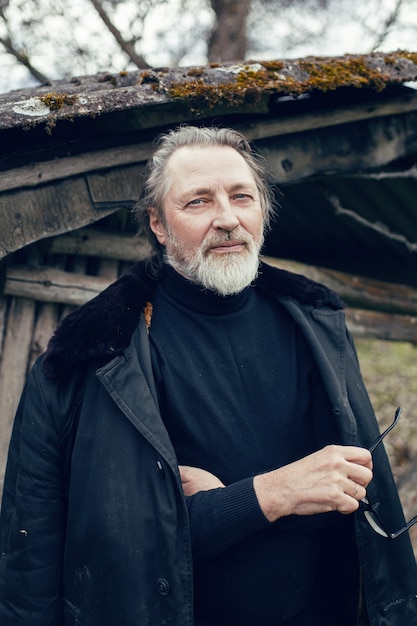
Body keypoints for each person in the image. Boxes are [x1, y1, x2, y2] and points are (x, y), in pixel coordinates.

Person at [0, 125, 416, 626]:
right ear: (157, 223)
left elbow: (353, 500)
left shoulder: (317, 323)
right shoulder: (87, 355)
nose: (226, 219)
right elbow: (47, 548)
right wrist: (273, 493)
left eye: (241, 196)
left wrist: (221, 506)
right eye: (197, 202)